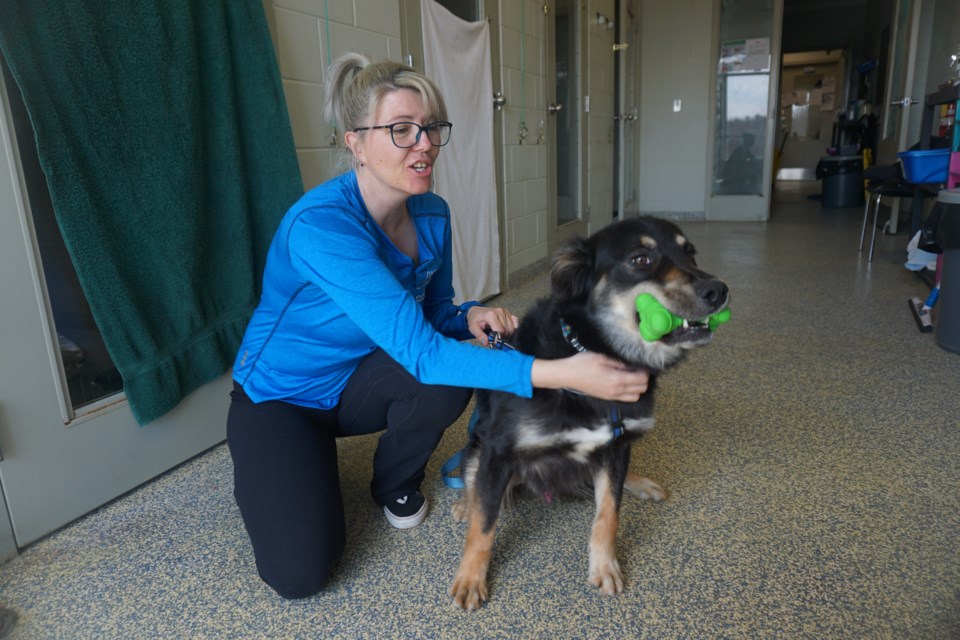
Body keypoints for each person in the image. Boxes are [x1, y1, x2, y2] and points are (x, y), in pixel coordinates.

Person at [226, 52, 650, 600]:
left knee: (452, 365)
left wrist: (469, 314)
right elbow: (422, 353)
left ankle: (393, 481)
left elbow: (433, 312)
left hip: (359, 376)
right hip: (280, 398)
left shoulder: (431, 214)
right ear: (355, 142)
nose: (423, 144)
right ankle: (292, 461)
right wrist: (563, 371)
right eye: (400, 130)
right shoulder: (321, 228)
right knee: (299, 575)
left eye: (429, 128)